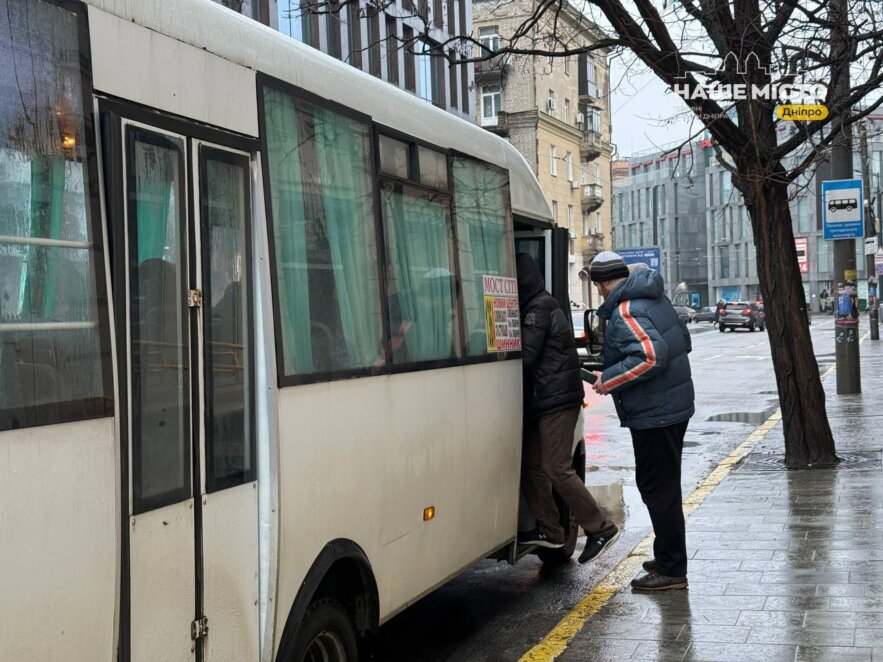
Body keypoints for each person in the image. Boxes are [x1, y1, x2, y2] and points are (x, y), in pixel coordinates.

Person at [588, 251, 695, 591]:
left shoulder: (625, 310)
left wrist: (610, 379)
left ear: (604, 283)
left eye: (599, 287)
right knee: (664, 486)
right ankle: (667, 556)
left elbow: (652, 356)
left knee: (657, 489)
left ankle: (672, 568)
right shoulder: (653, 298)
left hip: (656, 414)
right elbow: (682, 342)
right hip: (672, 406)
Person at [515, 253, 619, 564]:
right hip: (541, 401)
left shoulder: (538, 308)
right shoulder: (536, 304)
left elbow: (526, 355)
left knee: (557, 468)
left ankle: (600, 528)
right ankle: (552, 531)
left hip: (556, 401)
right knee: (532, 466)